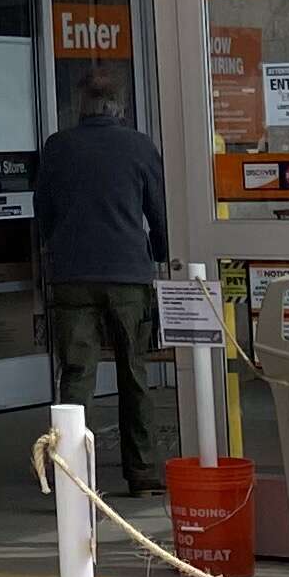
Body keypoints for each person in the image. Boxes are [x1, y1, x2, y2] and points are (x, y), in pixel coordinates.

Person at [33, 79, 175, 495]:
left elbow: (42, 210)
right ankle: (142, 472)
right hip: (128, 275)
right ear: (120, 107)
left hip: (72, 276)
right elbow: (159, 211)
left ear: (82, 105)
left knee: (76, 376)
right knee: (134, 374)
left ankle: (70, 475)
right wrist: (162, 255)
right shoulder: (140, 147)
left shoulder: (57, 147)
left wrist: (56, 249)